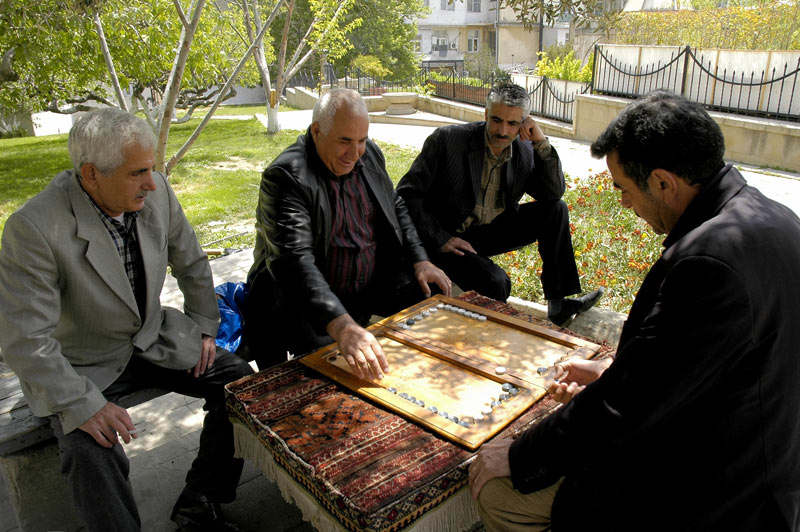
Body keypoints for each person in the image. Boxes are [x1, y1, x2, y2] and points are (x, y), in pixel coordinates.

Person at [467, 91, 800, 531]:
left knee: (500, 496)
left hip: (719, 491)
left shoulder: (709, 263)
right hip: (754, 452)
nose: (624, 204)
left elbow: (623, 411)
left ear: (663, 183)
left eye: (624, 189)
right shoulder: (772, 217)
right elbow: (698, 364)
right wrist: (614, 371)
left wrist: (516, 454)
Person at [0, 108, 254, 532]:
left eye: (151, 169)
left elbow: (190, 260)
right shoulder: (34, 228)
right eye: (138, 173)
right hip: (81, 364)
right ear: (91, 174)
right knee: (92, 451)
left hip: (152, 339)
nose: (152, 183)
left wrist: (206, 327)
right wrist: (82, 405)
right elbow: (25, 339)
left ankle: (202, 501)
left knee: (240, 384)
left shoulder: (155, 193)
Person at [241, 89, 450, 379]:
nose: (355, 153)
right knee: (335, 367)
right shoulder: (286, 175)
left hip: (365, 285)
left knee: (432, 293)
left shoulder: (369, 153)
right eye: (344, 141)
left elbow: (395, 205)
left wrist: (420, 260)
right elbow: (294, 261)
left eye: (361, 140)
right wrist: (341, 325)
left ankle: (419, 380)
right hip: (302, 299)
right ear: (317, 131)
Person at [396, 82, 602, 326]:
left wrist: (542, 144)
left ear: (525, 123)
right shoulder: (448, 141)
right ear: (485, 115)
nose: (503, 131)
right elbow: (407, 194)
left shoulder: (525, 149)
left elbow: (552, 193)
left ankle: (558, 304)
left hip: (490, 231)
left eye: (513, 123)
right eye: (496, 120)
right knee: (497, 281)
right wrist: (440, 238)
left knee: (556, 210)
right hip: (449, 239)